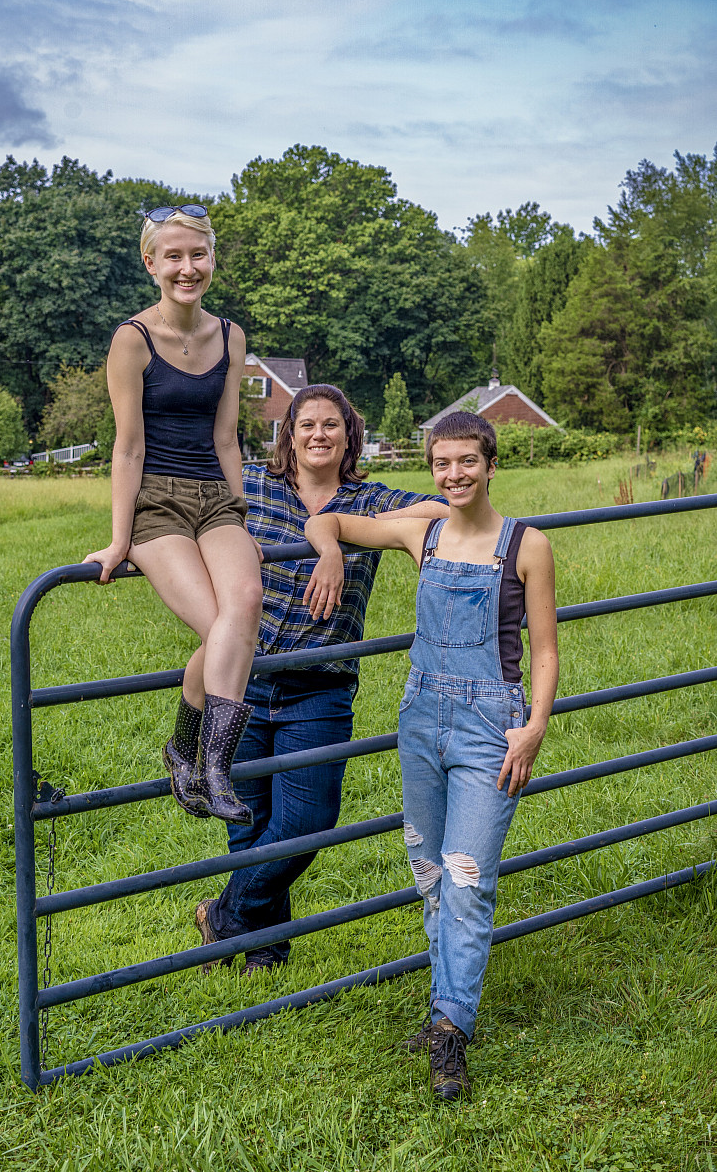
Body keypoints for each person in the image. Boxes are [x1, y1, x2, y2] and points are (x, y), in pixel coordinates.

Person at [305, 410, 559, 1103]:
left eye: (466, 462)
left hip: (490, 728)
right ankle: (445, 1002)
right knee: (428, 870)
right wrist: (327, 549)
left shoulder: (525, 545)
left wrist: (533, 726)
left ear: (490, 464)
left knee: (466, 875)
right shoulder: (424, 531)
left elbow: (542, 649)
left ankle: (450, 1029)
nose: (453, 474)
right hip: (421, 721)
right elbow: (328, 519)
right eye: (442, 463)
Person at [194, 383, 447, 975]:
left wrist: (330, 533)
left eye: (331, 425)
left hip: (320, 686)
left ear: (349, 436)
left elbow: (439, 510)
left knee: (306, 824)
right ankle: (264, 948)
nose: (318, 435)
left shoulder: (372, 500)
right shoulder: (252, 488)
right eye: (306, 424)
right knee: (250, 824)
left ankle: (223, 919)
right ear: (289, 434)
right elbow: (188, 513)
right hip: (243, 680)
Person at [84, 204, 263, 825]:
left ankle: (206, 763)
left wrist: (241, 517)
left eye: (199, 255)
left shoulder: (231, 336)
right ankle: (195, 758)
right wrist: (117, 540)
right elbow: (127, 446)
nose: (188, 268)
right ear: (151, 264)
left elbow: (226, 439)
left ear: (212, 258)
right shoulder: (132, 340)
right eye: (174, 257)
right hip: (155, 503)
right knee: (221, 627)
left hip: (216, 498)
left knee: (244, 606)